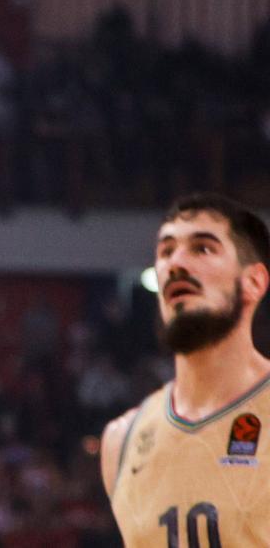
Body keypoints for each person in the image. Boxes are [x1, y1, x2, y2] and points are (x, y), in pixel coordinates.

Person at [100, 193, 270, 544]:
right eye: (166, 251)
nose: (176, 263)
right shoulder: (122, 439)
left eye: (202, 248)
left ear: (254, 282)